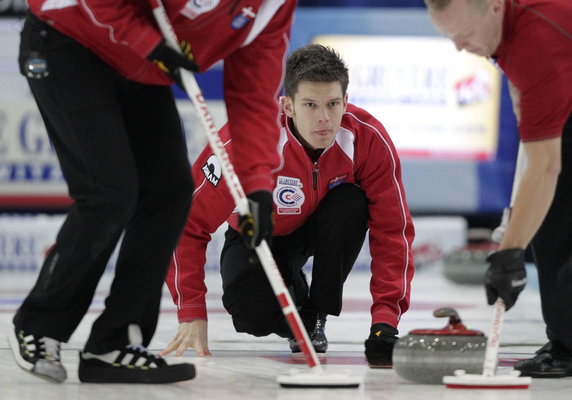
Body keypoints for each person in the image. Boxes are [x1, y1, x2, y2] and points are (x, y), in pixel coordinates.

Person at [8, 0, 296, 384]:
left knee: (170, 193)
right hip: (70, 37)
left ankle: (114, 341)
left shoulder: (271, 7)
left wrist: (257, 186)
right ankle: (38, 323)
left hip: (142, 64)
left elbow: (254, 95)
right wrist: (147, 42)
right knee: (109, 191)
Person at [161, 44, 415, 367]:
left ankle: (314, 315)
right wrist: (191, 313)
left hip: (319, 227)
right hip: (255, 233)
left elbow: (393, 232)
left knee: (351, 202)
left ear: (345, 102)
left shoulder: (368, 141)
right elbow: (187, 223)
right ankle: (294, 311)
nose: (324, 118)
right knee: (252, 315)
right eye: (310, 105)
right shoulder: (244, 142)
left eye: (333, 104)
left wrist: (385, 323)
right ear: (288, 105)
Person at [425, 0, 572, 378]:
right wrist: (517, 223)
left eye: (465, 35)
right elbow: (524, 105)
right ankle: (567, 342)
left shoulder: (535, 38)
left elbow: (545, 166)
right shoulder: (501, 30)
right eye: (451, 38)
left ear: (493, 8)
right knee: (546, 215)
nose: (460, 47)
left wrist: (509, 255)